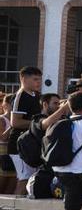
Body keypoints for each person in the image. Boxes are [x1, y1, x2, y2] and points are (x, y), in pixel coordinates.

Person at [9, 66, 44, 195]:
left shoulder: (36, 95)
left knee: (31, 178)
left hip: (31, 144)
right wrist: (38, 124)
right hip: (19, 145)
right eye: (35, 79)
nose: (38, 83)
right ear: (23, 79)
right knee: (24, 179)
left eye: (40, 79)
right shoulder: (20, 95)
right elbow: (15, 122)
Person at [0, 93, 15, 194]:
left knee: (10, 189)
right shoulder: (2, 119)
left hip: (13, 155)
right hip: (2, 155)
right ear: (5, 105)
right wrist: (13, 125)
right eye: (12, 103)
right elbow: (3, 137)